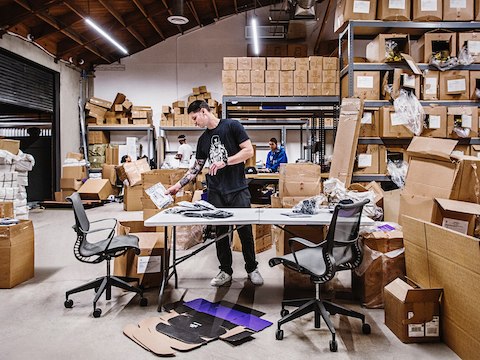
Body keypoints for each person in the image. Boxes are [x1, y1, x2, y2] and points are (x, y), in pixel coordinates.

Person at [166, 100, 263, 287]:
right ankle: (225, 270)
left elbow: (248, 151)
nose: (194, 122)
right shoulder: (203, 140)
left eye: (195, 118)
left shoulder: (232, 126)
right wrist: (177, 186)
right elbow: (196, 168)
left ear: (204, 112)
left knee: (245, 231)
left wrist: (226, 161)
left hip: (237, 188)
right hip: (216, 191)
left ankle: (252, 268)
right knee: (221, 233)